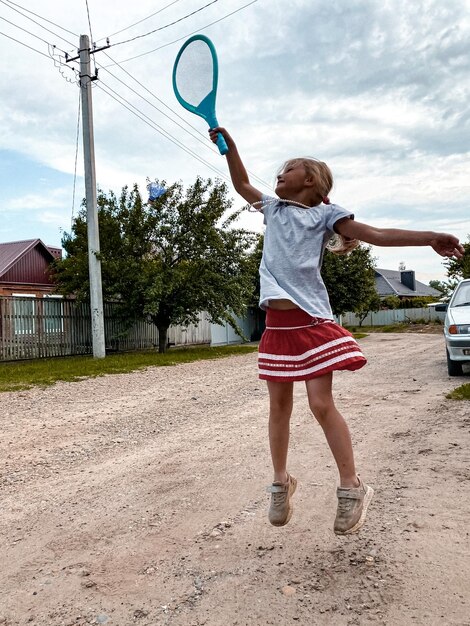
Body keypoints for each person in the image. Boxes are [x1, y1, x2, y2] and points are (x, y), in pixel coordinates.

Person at [209, 126, 464, 535]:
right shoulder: (273, 209)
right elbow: (240, 183)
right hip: (277, 326)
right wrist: (231, 148)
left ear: (309, 180)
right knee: (278, 407)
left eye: (287, 169)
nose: (279, 174)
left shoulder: (327, 215)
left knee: (320, 405)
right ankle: (280, 482)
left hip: (311, 322)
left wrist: (430, 236)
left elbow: (377, 235)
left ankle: (352, 487)